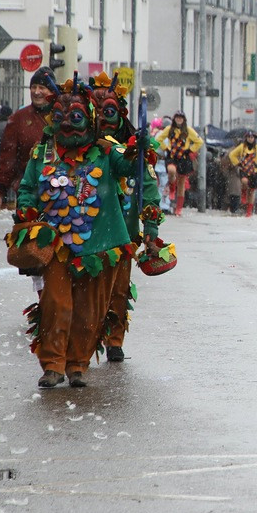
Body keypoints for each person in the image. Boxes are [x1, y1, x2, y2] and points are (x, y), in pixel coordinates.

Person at [15, 78, 149, 388]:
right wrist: (25, 208)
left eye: (75, 117)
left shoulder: (105, 151)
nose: (67, 125)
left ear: (89, 119)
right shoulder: (43, 152)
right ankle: (53, 365)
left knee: (90, 311)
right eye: (60, 118)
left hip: (99, 244)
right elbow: (27, 187)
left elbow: (130, 168)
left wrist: (138, 149)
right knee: (55, 305)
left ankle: (77, 364)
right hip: (56, 243)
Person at [89, 73, 162, 363]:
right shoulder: (80, 149)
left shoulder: (134, 152)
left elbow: (148, 187)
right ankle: (83, 341)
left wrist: (151, 229)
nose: (102, 120)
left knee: (117, 292)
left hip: (123, 232)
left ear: (121, 115)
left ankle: (114, 338)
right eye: (96, 113)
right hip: (84, 232)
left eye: (108, 112)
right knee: (86, 292)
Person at [0, 68, 57, 215]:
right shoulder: (19, 119)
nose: (36, 92)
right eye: (33, 87)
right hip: (28, 191)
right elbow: (7, 159)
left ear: (52, 91)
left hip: (60, 192)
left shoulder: (62, 116)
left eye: (42, 87)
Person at [155, 111, 202, 216]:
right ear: (174, 119)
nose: (179, 120)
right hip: (172, 157)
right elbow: (158, 139)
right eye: (177, 117)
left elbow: (199, 142)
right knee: (171, 171)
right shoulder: (169, 129)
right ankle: (172, 186)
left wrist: (190, 150)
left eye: (181, 118)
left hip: (184, 158)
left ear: (184, 119)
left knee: (181, 184)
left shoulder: (188, 130)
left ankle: (179, 209)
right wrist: (165, 148)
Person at [228, 131, 257, 218]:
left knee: (252, 192)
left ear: (254, 139)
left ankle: (249, 211)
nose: (250, 139)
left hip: (254, 172)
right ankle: (243, 193)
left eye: (252, 137)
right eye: (249, 137)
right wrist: (238, 163)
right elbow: (232, 155)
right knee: (244, 181)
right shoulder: (242, 147)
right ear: (246, 138)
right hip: (245, 171)